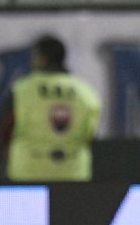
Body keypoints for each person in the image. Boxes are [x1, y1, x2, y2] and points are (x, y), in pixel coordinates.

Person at [5, 34, 102, 182]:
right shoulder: (86, 92)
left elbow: (6, 129)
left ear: (41, 59)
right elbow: (91, 135)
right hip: (73, 175)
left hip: (28, 173)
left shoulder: (22, 90)